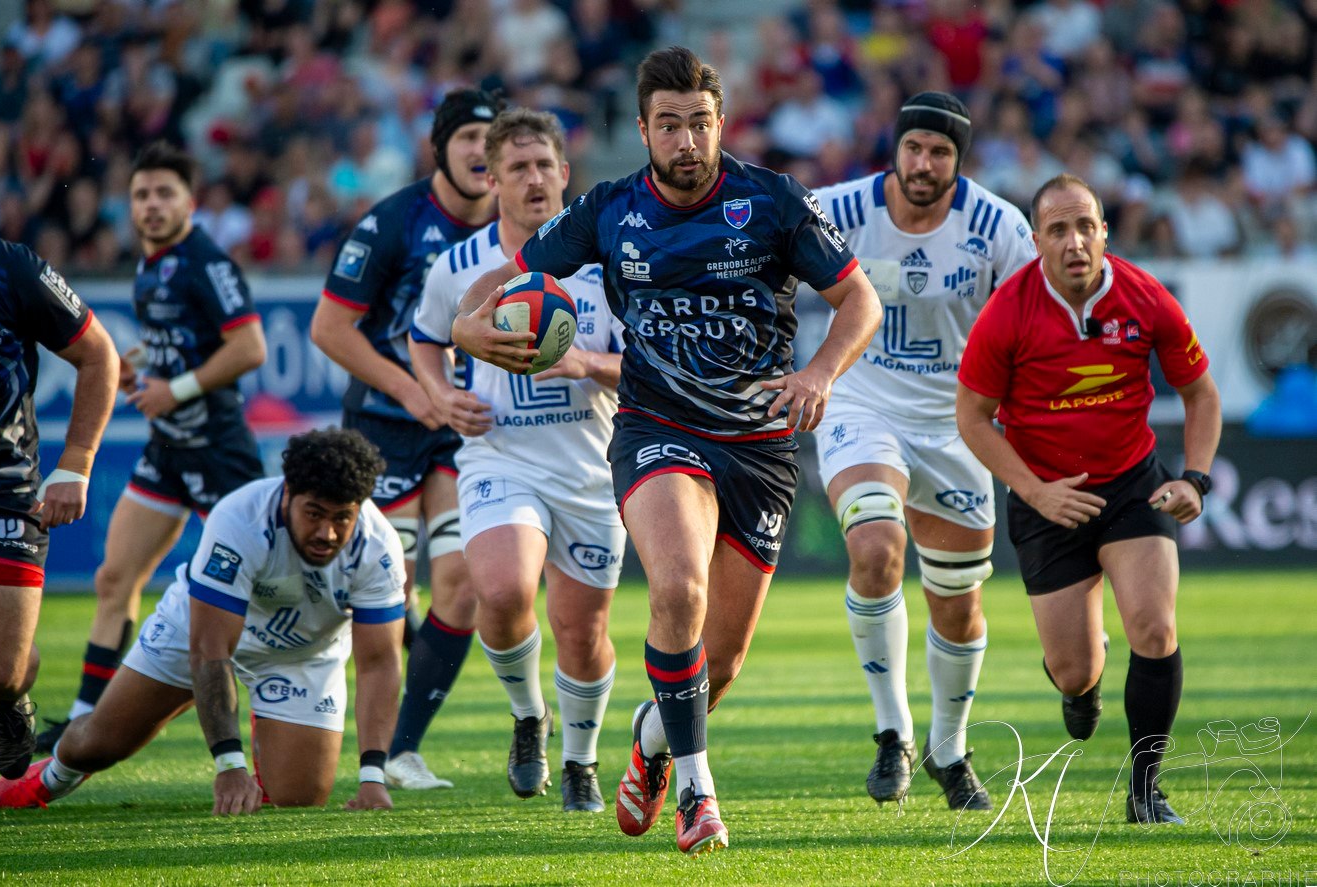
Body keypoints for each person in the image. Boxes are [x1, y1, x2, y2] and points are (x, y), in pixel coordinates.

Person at [450, 46, 882, 855]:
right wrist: (468, 328)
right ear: (644, 129)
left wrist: (821, 371)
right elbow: (498, 282)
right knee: (677, 590)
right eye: (671, 125)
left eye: (701, 124)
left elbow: (859, 297)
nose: (688, 141)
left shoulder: (773, 200)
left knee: (722, 661)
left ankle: (652, 741)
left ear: (722, 124)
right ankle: (697, 792)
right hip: (658, 428)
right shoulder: (609, 209)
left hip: (759, 444)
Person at [956, 173, 1221, 825]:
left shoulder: (1146, 297)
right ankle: (1084, 681)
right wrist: (1035, 491)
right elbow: (971, 416)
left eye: (1085, 227)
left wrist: (1195, 478)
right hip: (1046, 498)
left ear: (1104, 233)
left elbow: (1201, 393)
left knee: (1154, 627)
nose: (1074, 242)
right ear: (1037, 242)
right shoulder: (1007, 312)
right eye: (1058, 230)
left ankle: (1146, 790)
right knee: (1074, 669)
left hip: (1132, 485)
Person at [809, 92, 1036, 811]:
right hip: (861, 404)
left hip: (958, 422)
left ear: (958, 161)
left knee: (958, 606)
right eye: (914, 147)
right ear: (896, 150)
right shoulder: (838, 210)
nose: (924, 163)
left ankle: (950, 747)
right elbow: (763, 269)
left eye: (940, 152)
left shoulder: (999, 227)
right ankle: (893, 731)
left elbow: (1034, 329)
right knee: (875, 547)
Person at [0, 429, 407, 813]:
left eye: (341, 518)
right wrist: (229, 765)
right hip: (199, 631)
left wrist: (373, 777)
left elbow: (379, 663)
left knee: (299, 797)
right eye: (314, 513)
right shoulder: (240, 518)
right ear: (286, 494)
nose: (327, 533)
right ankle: (47, 777)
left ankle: (269, 720)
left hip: (302, 655)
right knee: (97, 745)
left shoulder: (379, 546)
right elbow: (209, 650)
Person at [409, 108, 625, 812]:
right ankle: (530, 714)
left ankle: (581, 762)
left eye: (543, 166)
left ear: (565, 173)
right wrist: (442, 395)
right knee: (501, 594)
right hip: (500, 458)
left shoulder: (609, 261)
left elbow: (647, 366)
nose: (533, 180)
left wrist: (587, 363)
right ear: (492, 180)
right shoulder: (459, 267)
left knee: (582, 631)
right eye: (517, 168)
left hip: (592, 467)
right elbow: (425, 338)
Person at [38, 141, 267, 752]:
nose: (152, 204)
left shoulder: (206, 262)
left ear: (191, 203)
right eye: (142, 195)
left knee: (258, 596)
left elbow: (250, 347)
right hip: (168, 450)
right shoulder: (149, 264)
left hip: (218, 450)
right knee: (115, 577)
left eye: (166, 193)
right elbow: (180, 345)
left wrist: (177, 389)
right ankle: (84, 718)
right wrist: (141, 370)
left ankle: (275, 715)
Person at [310, 88, 503, 792]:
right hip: (385, 429)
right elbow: (328, 328)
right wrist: (412, 389)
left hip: (464, 429)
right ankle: (364, 712)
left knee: (465, 584)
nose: (481, 151)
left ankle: (402, 749)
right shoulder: (393, 222)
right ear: (439, 150)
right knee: (388, 591)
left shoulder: (519, 227)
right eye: (467, 138)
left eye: (491, 139)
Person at [0, 235, 119, 780]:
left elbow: (99, 354)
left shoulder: (9, 267)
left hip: (4, 489)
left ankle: (9, 693)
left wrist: (77, 463)